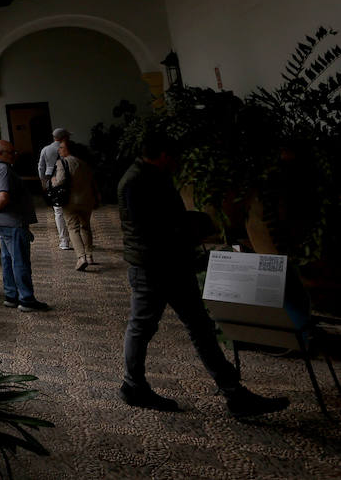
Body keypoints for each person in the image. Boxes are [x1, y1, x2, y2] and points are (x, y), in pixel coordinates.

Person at [117, 126, 289, 418]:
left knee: (200, 327)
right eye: (175, 157)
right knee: (143, 327)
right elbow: (153, 230)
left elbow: (167, 221)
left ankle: (234, 393)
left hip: (173, 265)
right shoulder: (135, 182)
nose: (178, 163)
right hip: (154, 269)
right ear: (163, 155)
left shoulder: (152, 176)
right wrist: (190, 238)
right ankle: (133, 386)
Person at [0, 140, 50, 312]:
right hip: (13, 222)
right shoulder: (3, 169)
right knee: (20, 261)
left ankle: (11, 296)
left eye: (14, 152)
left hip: (2, 223)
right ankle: (26, 299)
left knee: (7, 260)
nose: (14, 155)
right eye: (11, 152)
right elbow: (4, 196)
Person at [56, 141, 98, 270]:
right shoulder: (84, 163)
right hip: (87, 200)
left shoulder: (62, 163)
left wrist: (53, 181)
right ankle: (89, 255)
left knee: (73, 228)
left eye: (61, 147)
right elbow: (92, 182)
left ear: (68, 149)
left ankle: (81, 257)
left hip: (70, 201)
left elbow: (61, 180)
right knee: (86, 227)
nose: (59, 150)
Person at [38, 128, 74, 251]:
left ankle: (64, 241)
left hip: (51, 180)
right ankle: (78, 238)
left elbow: (41, 166)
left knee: (58, 211)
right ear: (64, 137)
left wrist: (43, 181)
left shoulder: (46, 149)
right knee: (73, 209)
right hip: (69, 179)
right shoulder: (69, 147)